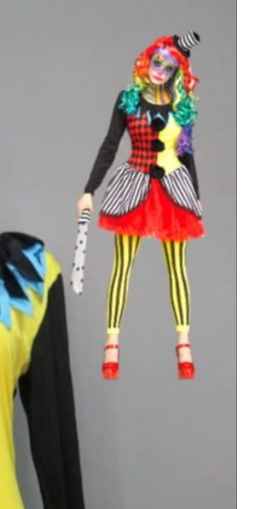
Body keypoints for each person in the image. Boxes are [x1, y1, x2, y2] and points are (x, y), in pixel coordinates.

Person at [77, 31, 203, 379]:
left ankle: (184, 341)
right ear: (147, 60)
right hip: (134, 184)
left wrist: (196, 193)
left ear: (178, 71)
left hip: (173, 186)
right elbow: (110, 145)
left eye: (169, 66)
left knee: (177, 267)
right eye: (157, 62)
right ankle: (112, 342)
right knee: (122, 265)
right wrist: (89, 190)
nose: (160, 70)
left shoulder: (182, 105)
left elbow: (186, 152)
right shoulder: (128, 99)